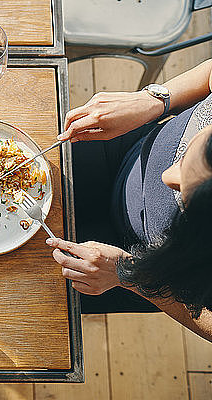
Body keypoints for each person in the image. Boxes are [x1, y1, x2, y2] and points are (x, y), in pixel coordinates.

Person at [46, 60, 212, 342]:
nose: (166, 175)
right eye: (184, 156)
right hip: (127, 153)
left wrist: (127, 274)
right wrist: (152, 101)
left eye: (186, 193)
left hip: (141, 268)